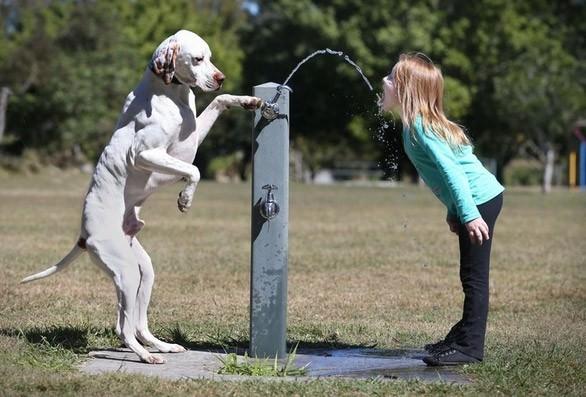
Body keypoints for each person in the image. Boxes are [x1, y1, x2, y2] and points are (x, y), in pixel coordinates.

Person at [379, 53, 504, 366]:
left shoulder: (421, 127)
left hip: (479, 201)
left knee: (474, 277)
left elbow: (454, 174)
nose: (385, 82)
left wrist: (470, 214)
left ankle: (470, 348)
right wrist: (454, 211)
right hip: (474, 202)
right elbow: (452, 171)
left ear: (406, 90)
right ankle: (460, 338)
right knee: (469, 275)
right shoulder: (415, 125)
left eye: (392, 79)